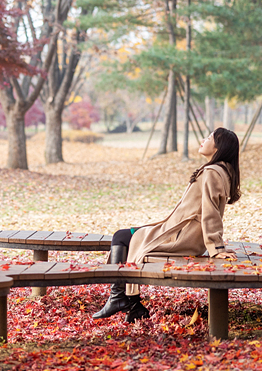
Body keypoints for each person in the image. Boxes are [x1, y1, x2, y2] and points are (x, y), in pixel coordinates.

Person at [92, 127, 242, 323]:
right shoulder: (220, 170)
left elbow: (211, 211)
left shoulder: (213, 172)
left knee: (121, 237)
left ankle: (120, 298)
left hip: (182, 235)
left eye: (209, 138)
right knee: (124, 236)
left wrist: (216, 247)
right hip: (180, 231)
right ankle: (131, 303)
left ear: (218, 147)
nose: (203, 140)